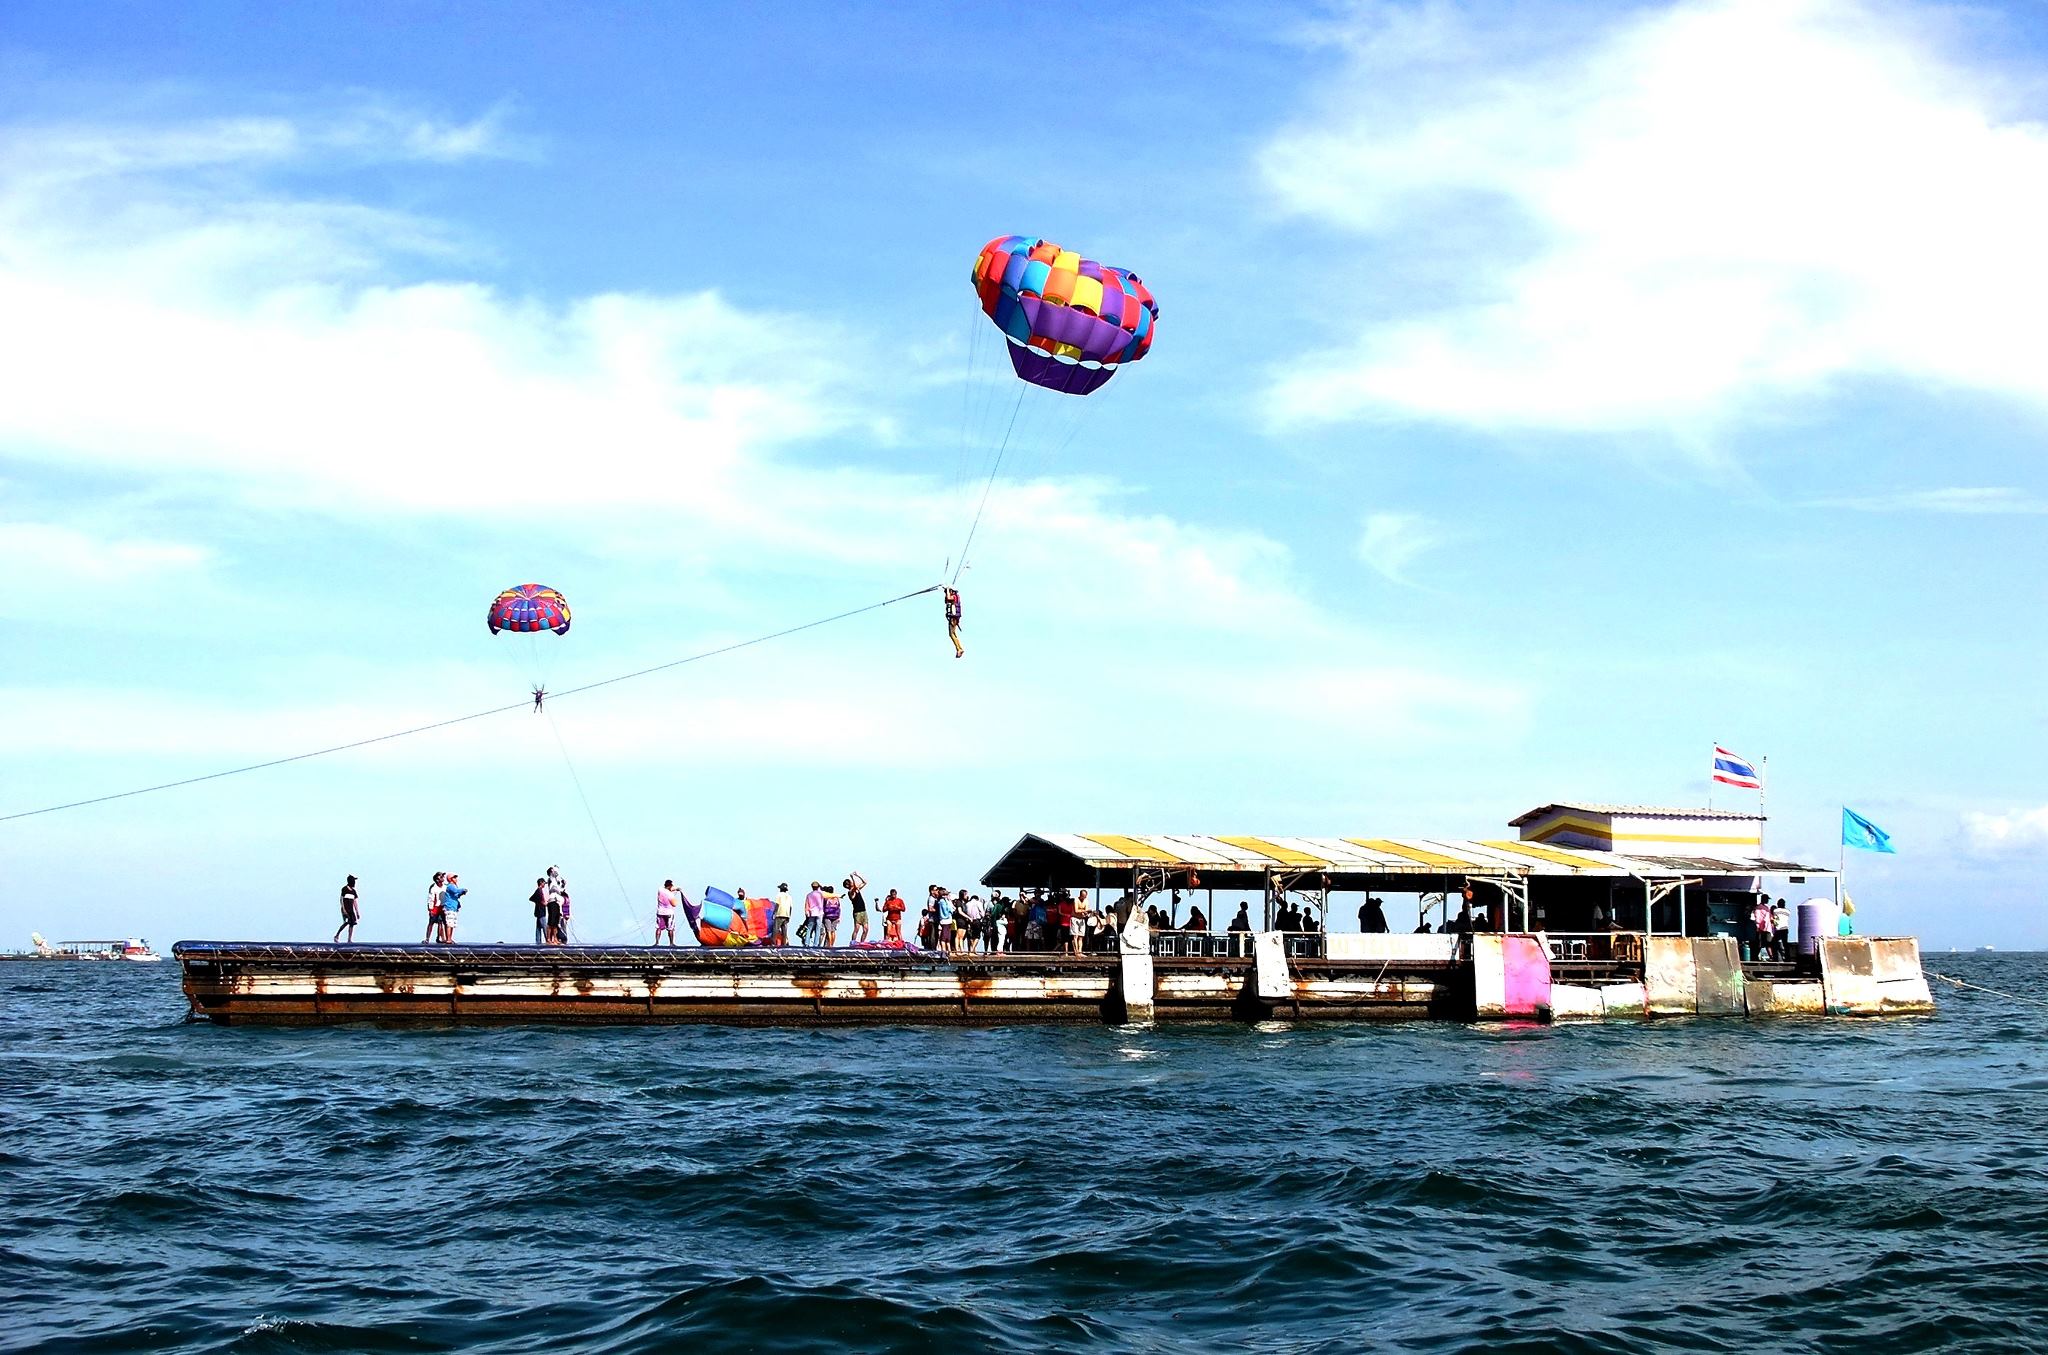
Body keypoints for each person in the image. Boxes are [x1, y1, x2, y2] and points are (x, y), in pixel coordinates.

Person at [440, 873, 466, 943]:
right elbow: (456, 891)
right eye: (454, 878)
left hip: (453, 907)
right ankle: (448, 939)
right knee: (449, 923)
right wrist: (463, 890)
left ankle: (450, 938)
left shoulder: (453, 886)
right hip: (449, 907)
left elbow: (456, 895)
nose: (456, 879)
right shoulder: (450, 886)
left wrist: (461, 893)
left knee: (452, 924)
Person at [334, 875, 360, 942]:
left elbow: (355, 902)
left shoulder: (353, 891)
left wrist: (357, 912)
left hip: (351, 910)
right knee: (346, 922)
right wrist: (343, 909)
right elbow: (341, 899)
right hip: (345, 909)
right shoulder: (344, 889)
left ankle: (349, 939)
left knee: (352, 923)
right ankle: (337, 935)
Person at [1748, 894, 1774, 960]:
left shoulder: (1767, 908)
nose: (1768, 900)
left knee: (1767, 943)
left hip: (1767, 928)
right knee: (1760, 944)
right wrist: (1758, 927)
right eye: (1767, 899)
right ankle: (1755, 957)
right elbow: (1757, 919)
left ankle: (1771, 957)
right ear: (1764, 899)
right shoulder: (1758, 908)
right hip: (1761, 929)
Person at [655, 880, 681, 946]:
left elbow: (669, 889)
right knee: (670, 928)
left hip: (660, 912)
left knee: (658, 928)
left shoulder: (660, 889)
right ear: (670, 886)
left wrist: (676, 889)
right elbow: (674, 904)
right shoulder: (670, 895)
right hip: (669, 913)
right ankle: (671, 943)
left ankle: (657, 943)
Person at [846, 877, 870, 944]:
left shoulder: (857, 889)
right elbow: (855, 887)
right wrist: (852, 877)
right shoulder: (850, 892)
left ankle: (862, 943)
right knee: (857, 929)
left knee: (866, 929)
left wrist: (857, 875)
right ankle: (853, 943)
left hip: (863, 911)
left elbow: (865, 882)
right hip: (857, 912)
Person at [424, 872, 446, 944]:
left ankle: (441, 938)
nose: (443, 877)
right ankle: (427, 938)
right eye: (441, 876)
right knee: (431, 922)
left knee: (441, 922)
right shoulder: (433, 888)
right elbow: (431, 898)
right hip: (435, 907)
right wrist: (430, 909)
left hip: (442, 906)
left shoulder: (445, 887)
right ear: (437, 879)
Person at [800, 882, 824, 946]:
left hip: (811, 912)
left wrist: (806, 913)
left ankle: (807, 943)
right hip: (819, 912)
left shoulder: (809, 895)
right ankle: (815, 944)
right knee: (818, 929)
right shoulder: (820, 894)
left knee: (809, 928)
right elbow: (822, 903)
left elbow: (806, 905)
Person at [942, 586, 963, 658]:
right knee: (953, 634)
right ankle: (959, 648)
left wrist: (947, 590)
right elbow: (946, 600)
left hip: (953, 619)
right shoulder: (955, 597)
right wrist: (946, 592)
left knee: (951, 634)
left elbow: (948, 598)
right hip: (953, 619)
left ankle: (959, 649)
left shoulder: (954, 597)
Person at [530, 877, 549, 945]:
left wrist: (538, 902)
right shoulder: (539, 891)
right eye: (544, 883)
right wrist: (545, 903)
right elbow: (540, 901)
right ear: (541, 883)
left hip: (538, 912)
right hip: (541, 912)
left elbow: (532, 898)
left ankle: (538, 943)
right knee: (545, 927)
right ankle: (548, 941)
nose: (544, 884)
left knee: (538, 929)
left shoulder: (538, 891)